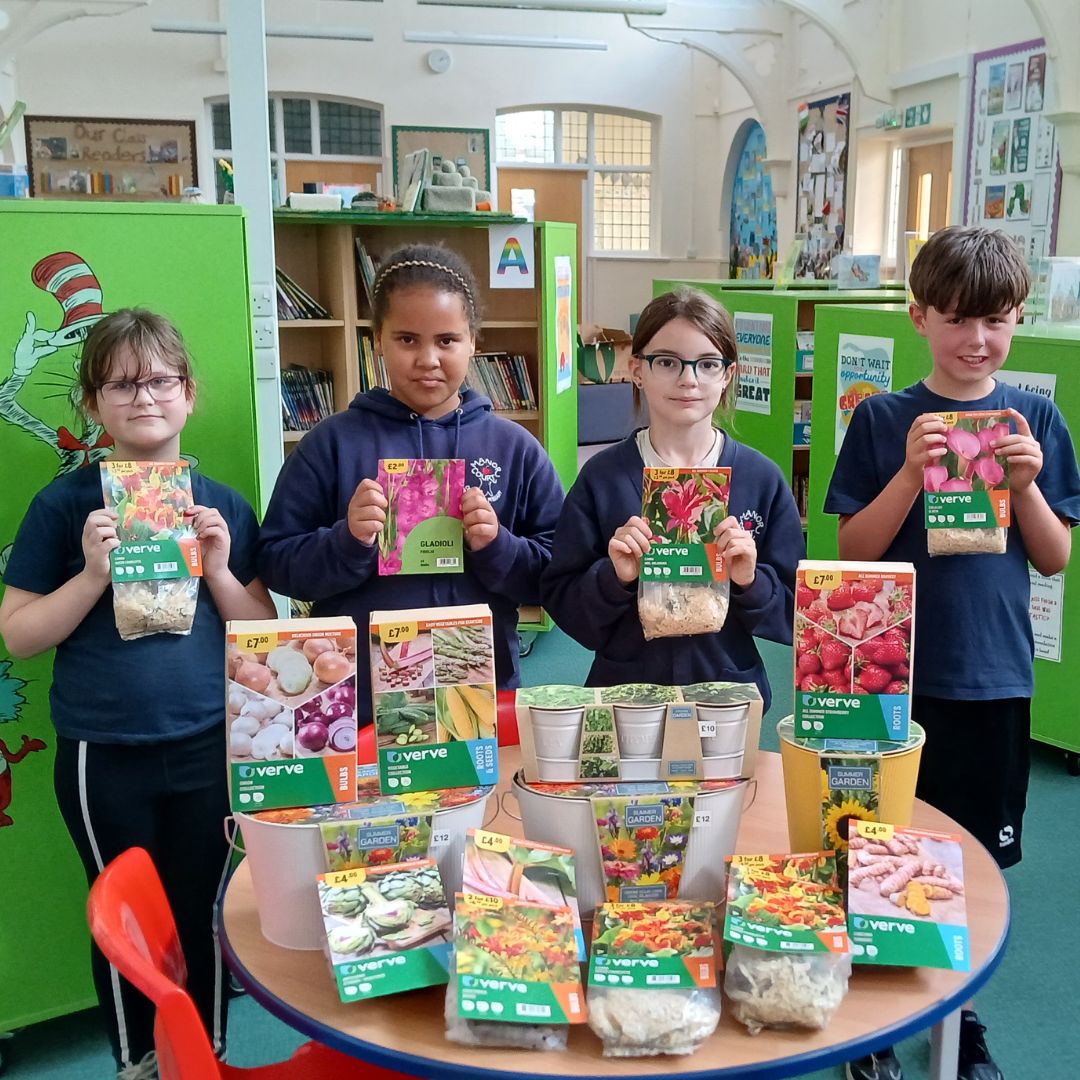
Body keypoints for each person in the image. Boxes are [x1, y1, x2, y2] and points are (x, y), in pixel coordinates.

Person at [825, 226, 1080, 1080]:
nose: (979, 341)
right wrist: (906, 472)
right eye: (960, 320)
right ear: (919, 317)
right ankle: (875, 1029)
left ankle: (957, 1020)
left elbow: (1053, 558)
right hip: (885, 678)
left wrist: (1027, 485)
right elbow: (853, 554)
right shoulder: (882, 418)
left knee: (966, 864)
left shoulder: (1034, 419)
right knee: (876, 848)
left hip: (991, 677)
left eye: (999, 321)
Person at [0, 309, 275, 1080]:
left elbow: (261, 630)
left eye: (159, 379)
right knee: (126, 920)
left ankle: (207, 1053)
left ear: (188, 393)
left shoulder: (221, 503)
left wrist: (219, 568)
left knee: (205, 912)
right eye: (119, 384)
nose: (142, 396)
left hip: (206, 745)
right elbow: (19, 634)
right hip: (102, 753)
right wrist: (91, 573)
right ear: (91, 404)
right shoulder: (63, 508)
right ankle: (140, 1061)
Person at [256, 243, 564, 724]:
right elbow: (276, 562)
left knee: (475, 795)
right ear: (377, 339)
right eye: (406, 339)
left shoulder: (515, 448)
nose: (427, 358)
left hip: (477, 687)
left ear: (473, 342)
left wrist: (496, 546)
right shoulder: (331, 444)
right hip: (358, 696)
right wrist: (348, 540)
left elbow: (558, 573)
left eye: (447, 340)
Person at [540, 286, 803, 709]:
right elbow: (564, 605)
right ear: (636, 370)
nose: (688, 378)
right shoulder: (603, 478)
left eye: (707, 364)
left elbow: (796, 614)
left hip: (728, 696)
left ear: (728, 375)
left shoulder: (760, 478)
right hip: (624, 695)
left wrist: (750, 581)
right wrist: (616, 576)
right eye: (667, 362)